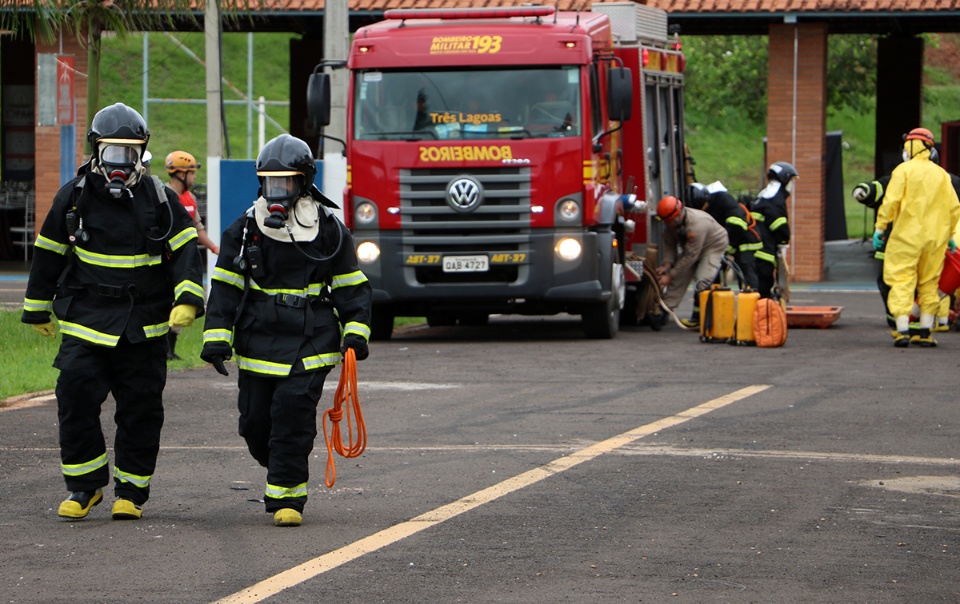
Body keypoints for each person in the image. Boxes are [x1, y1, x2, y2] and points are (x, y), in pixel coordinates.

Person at [20, 103, 205, 521]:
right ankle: (85, 488)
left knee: (141, 409)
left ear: (143, 153)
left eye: (129, 153)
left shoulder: (160, 198)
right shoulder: (74, 195)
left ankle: (131, 493)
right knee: (74, 396)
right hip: (87, 319)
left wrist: (189, 299)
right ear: (95, 151)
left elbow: (186, 251)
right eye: (112, 152)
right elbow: (49, 251)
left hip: (144, 326)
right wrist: (36, 308)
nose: (121, 163)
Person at [200, 134, 373, 527]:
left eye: (286, 183)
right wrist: (215, 338)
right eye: (270, 182)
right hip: (258, 336)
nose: (277, 191)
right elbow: (226, 286)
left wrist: (356, 331)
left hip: (311, 339)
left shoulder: (328, 229)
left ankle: (287, 497)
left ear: (304, 182)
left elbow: (351, 284)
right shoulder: (244, 229)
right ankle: (280, 465)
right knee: (254, 423)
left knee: (291, 413)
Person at [874, 127, 960, 347]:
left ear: (909, 147)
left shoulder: (903, 171)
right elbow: (953, 207)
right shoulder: (941, 174)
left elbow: (891, 202)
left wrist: (880, 228)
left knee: (902, 280)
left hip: (906, 237)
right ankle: (925, 332)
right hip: (935, 239)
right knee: (930, 282)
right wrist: (950, 235)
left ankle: (902, 331)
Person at [164, 150, 219, 360]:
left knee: (182, 304)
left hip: (183, 264)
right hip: (165, 263)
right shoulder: (163, 197)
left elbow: (198, 229)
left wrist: (214, 248)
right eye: (192, 173)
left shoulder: (191, 198)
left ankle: (170, 349)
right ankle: (162, 348)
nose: (195, 177)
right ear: (181, 174)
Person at [655, 195, 730, 328]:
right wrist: (667, 265)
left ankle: (706, 317)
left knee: (702, 280)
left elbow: (690, 257)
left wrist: (670, 275)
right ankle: (665, 308)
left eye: (669, 221)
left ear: (678, 216)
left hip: (713, 246)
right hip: (693, 248)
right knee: (679, 276)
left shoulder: (697, 225)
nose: (667, 225)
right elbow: (670, 245)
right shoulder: (671, 223)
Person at [687, 180, 761, 291]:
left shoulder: (722, 199)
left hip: (746, 241)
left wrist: (727, 247)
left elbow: (737, 224)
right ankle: (710, 303)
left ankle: (754, 304)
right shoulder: (709, 204)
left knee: (746, 272)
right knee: (714, 272)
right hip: (729, 239)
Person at [751, 161, 797, 299]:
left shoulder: (764, 195)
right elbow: (779, 225)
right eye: (791, 180)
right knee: (763, 288)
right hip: (763, 252)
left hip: (754, 250)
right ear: (785, 178)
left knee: (754, 288)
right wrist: (784, 240)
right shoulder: (775, 199)